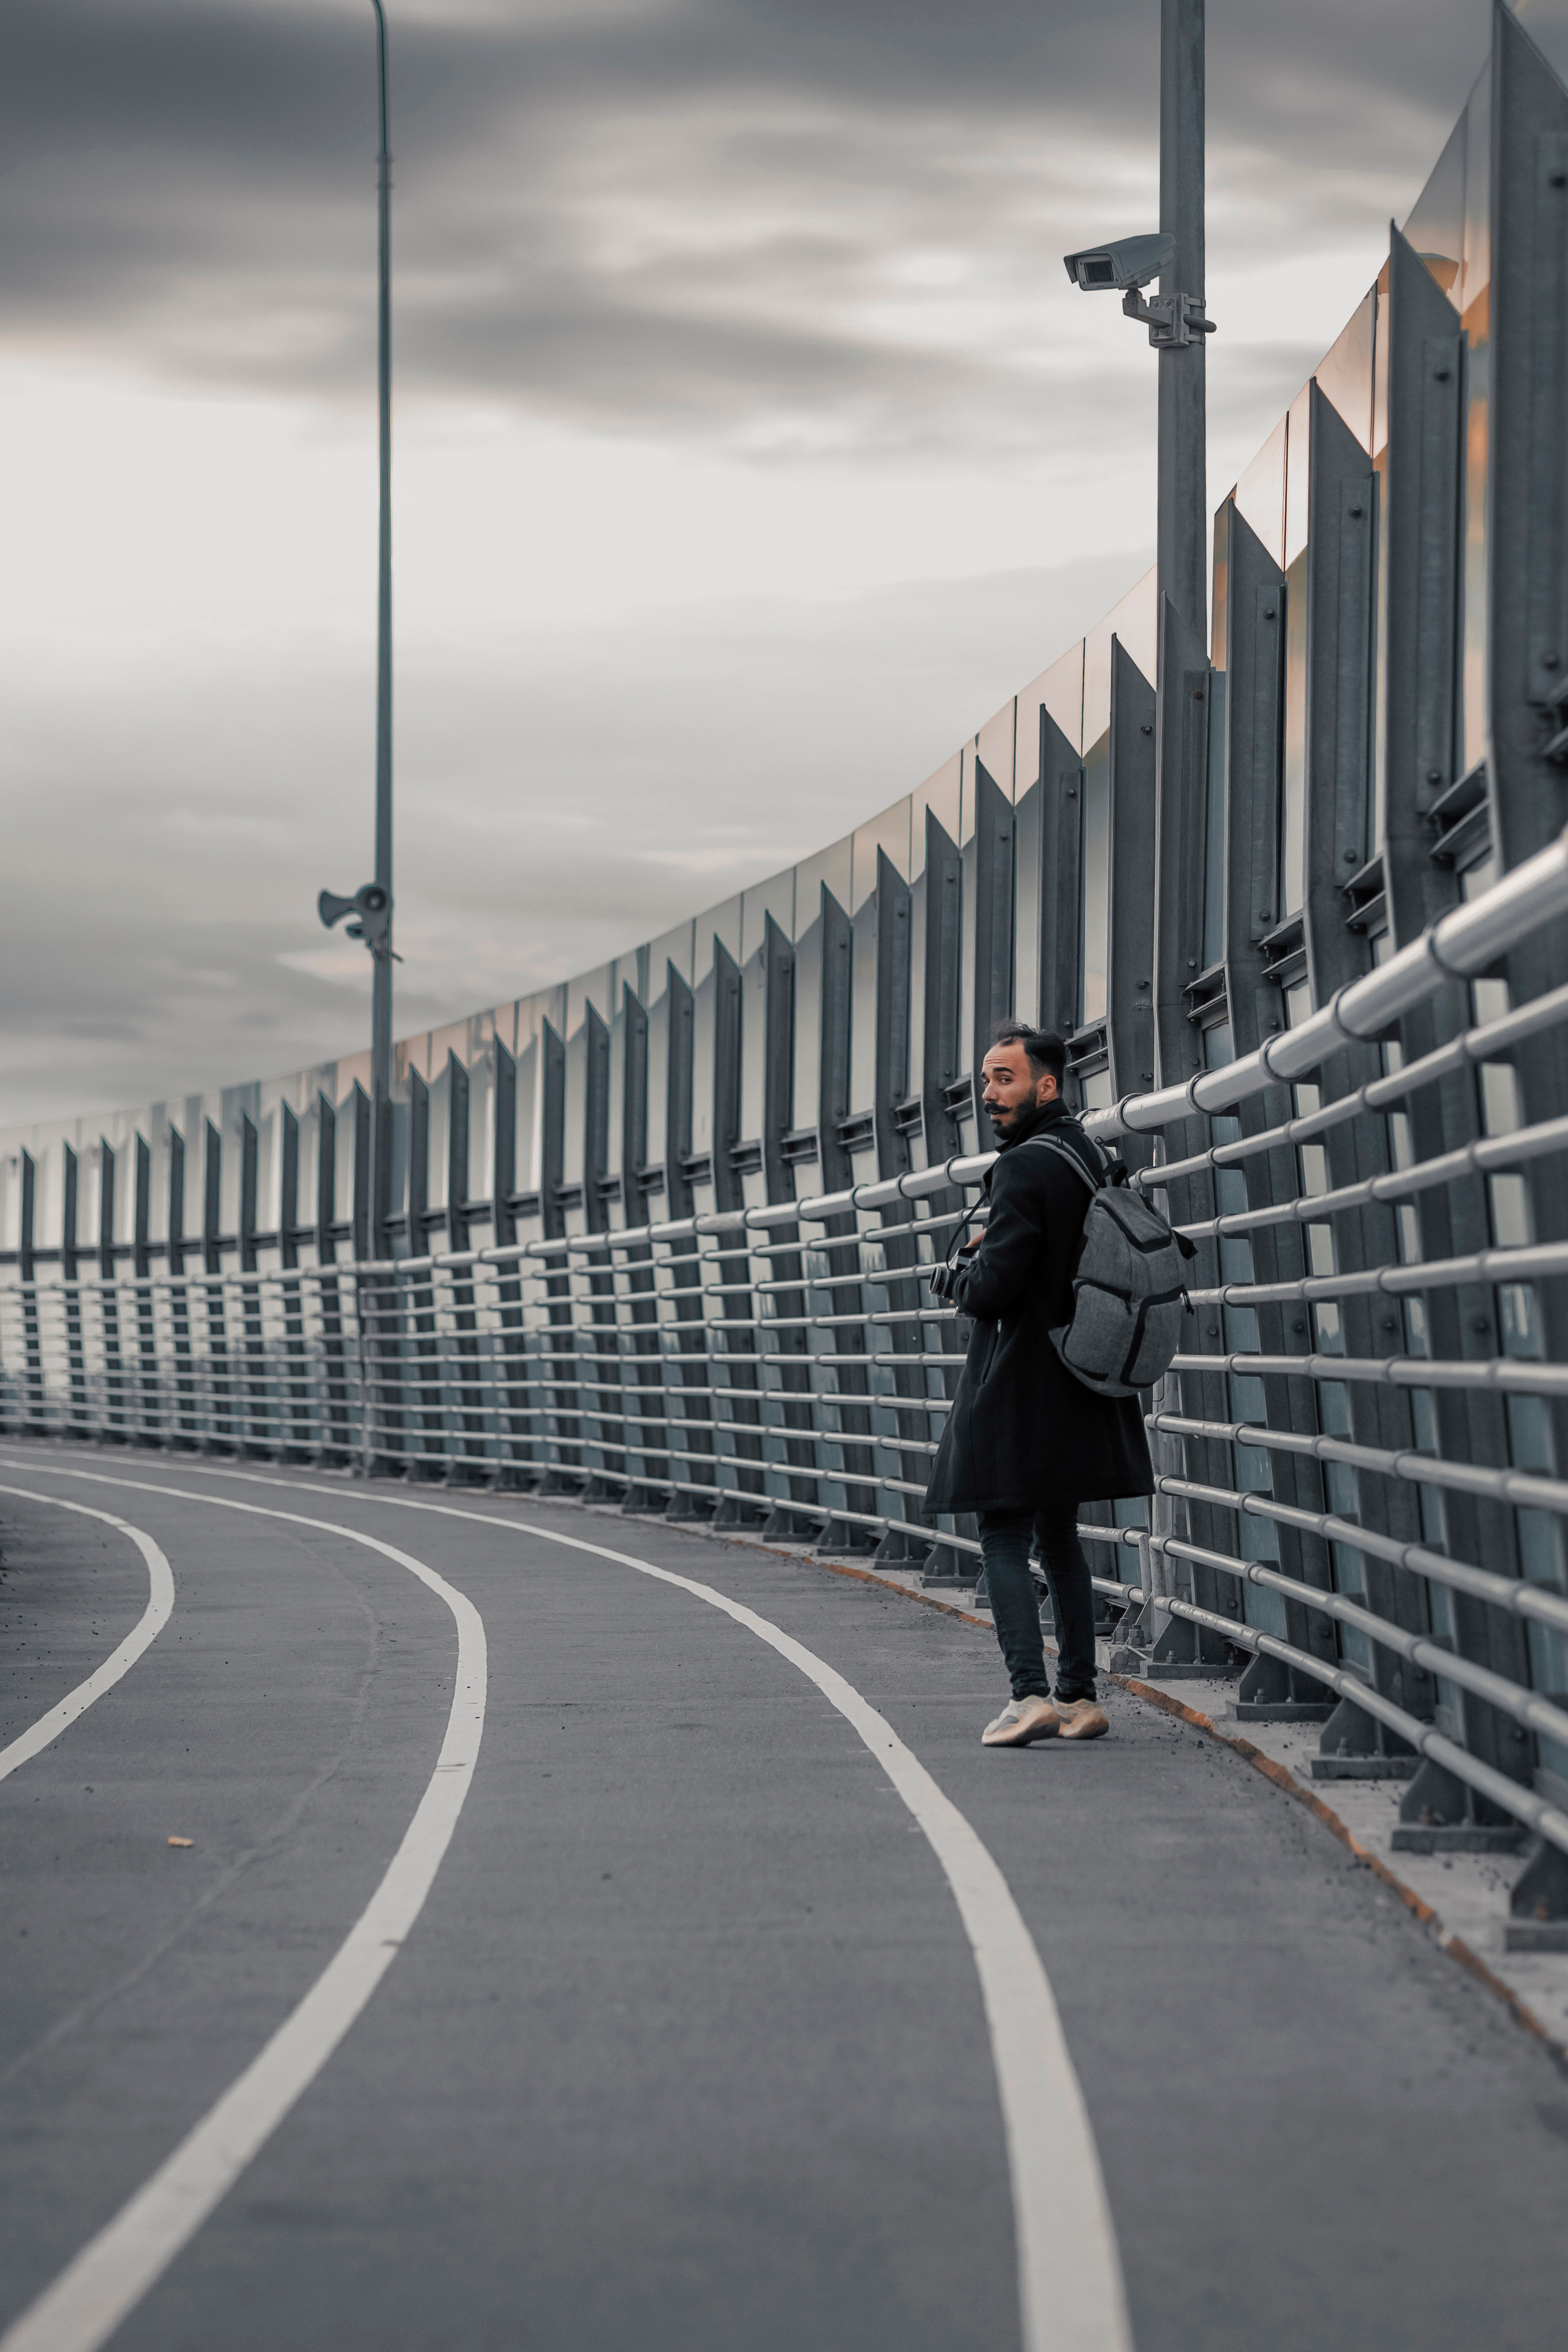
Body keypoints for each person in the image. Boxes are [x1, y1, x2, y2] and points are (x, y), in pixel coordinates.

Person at [923, 1022, 1153, 1747]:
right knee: (1059, 1537)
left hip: (1022, 1377)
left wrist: (961, 1271)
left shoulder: (1022, 1168)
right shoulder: (1089, 1154)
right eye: (985, 1080)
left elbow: (994, 1289)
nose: (988, 1095)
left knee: (1000, 1529)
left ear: (1045, 1086)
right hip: (1080, 1372)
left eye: (1005, 1080)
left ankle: (1028, 1697)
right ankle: (1079, 1698)